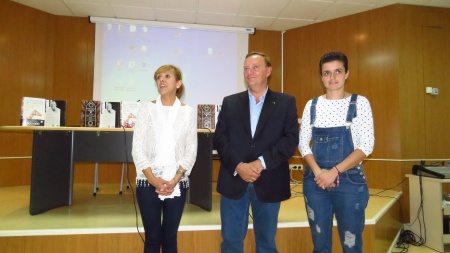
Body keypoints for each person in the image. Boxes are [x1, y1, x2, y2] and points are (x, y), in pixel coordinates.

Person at [213, 52, 299, 253]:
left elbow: (290, 139)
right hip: (234, 180)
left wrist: (260, 163)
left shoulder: (286, 102)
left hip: (269, 180)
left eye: (255, 67)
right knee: (231, 243)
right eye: (246, 68)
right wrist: (239, 165)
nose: (249, 72)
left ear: (268, 71)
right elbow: (220, 138)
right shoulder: (230, 102)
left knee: (266, 244)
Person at [298, 51, 375, 253]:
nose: (332, 78)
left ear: (347, 73)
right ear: (321, 76)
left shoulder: (360, 103)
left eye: (337, 72)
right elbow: (303, 143)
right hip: (316, 182)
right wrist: (318, 172)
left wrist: (334, 172)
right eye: (327, 73)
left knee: (351, 244)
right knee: (320, 243)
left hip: (349, 182)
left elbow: (366, 146)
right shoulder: (312, 105)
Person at [132, 64, 198, 253]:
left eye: (167, 76)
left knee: (170, 238)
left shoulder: (188, 112)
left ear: (178, 83)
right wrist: (154, 181)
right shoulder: (146, 109)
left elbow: (191, 151)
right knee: (152, 239)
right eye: (159, 77)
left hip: (176, 182)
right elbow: (138, 149)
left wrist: (175, 179)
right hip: (148, 183)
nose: (161, 80)